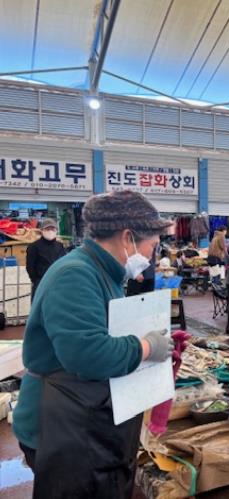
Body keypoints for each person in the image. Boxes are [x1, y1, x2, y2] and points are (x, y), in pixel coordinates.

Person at [13, 191, 174, 499]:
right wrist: (145, 347)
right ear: (127, 237)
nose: (152, 257)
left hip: (82, 415)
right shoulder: (76, 275)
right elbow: (88, 354)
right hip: (59, 423)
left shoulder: (103, 272)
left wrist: (156, 341)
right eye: (152, 246)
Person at [26, 219, 66, 299]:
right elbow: (30, 267)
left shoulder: (60, 246)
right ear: (42, 231)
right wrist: (36, 281)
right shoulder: (34, 246)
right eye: (47, 229)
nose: (50, 231)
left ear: (56, 231)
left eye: (52, 229)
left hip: (57, 281)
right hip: (41, 282)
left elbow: (63, 262)